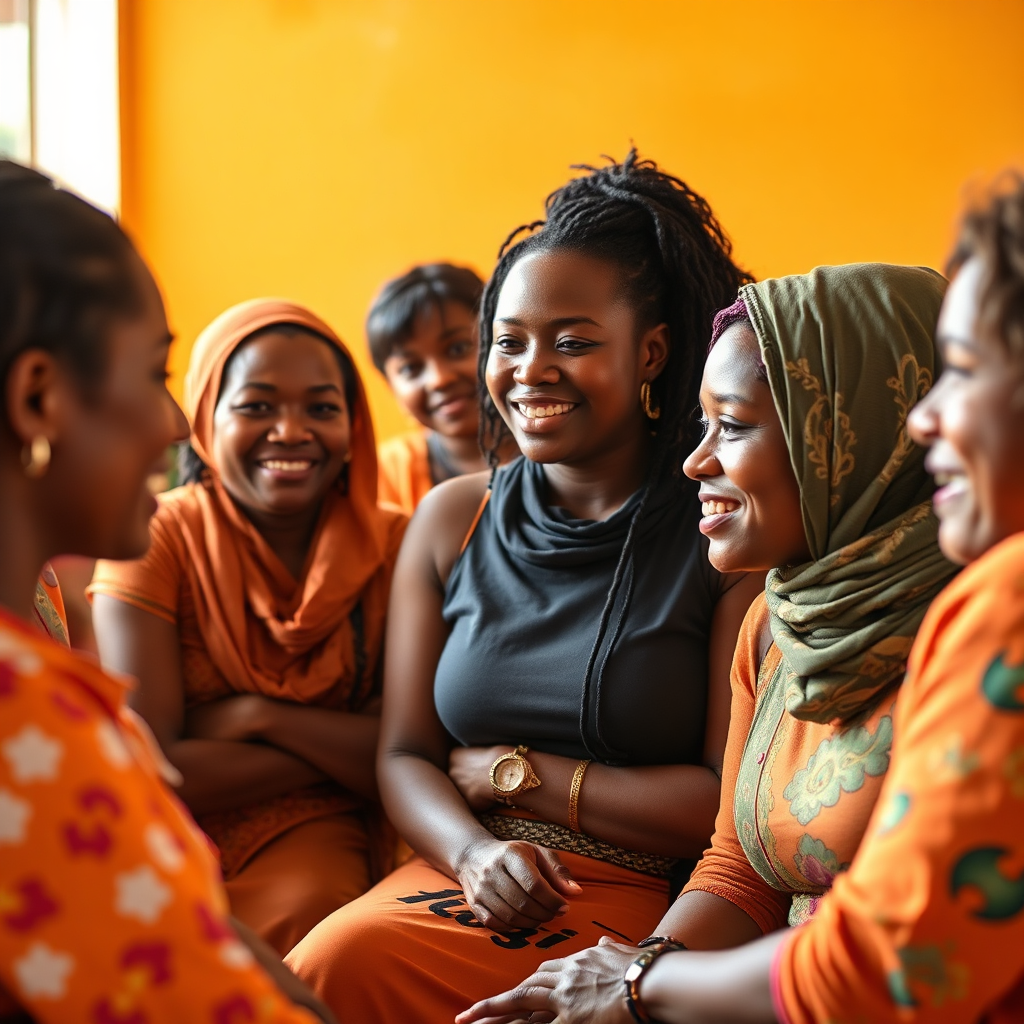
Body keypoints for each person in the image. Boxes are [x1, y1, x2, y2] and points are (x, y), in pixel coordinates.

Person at [458, 242, 1024, 1024]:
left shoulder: (988, 623)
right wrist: (625, 977)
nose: (695, 462)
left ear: (849, 435)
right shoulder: (774, 622)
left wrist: (638, 988)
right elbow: (739, 872)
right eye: (702, 424)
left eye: (735, 426)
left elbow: (897, 957)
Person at [285, 150, 765, 1022]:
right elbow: (404, 755)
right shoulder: (450, 518)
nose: (528, 370)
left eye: (573, 342)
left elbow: (720, 806)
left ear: (653, 352)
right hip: (459, 873)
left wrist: (516, 773)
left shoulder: (724, 534)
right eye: (509, 341)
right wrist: (473, 855)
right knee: (330, 964)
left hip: (646, 898)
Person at [0, 159, 333, 1021]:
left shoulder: (35, 613)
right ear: (38, 398)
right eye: (153, 374)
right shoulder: (26, 720)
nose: (171, 424)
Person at [90, 298, 406, 956]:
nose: (290, 431)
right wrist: (343, 747)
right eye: (256, 406)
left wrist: (260, 716)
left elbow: (405, 756)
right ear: (205, 418)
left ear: (353, 424)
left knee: (314, 921)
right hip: (163, 834)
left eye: (321, 407)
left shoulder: (399, 545)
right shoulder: (153, 536)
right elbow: (154, 766)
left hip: (322, 834)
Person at [368, 262, 515, 514]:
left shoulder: (560, 442)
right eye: (410, 368)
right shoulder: (384, 476)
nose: (439, 379)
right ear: (392, 389)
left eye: (457, 349)